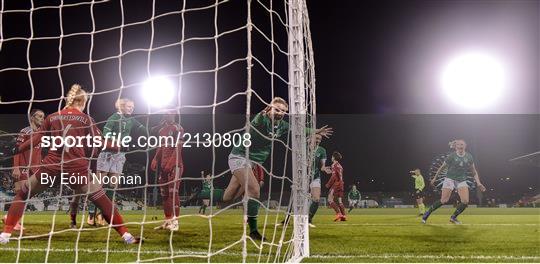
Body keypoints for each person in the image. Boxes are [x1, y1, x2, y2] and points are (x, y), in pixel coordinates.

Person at [0, 84, 140, 244]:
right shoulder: (86, 119)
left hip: (51, 167)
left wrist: (16, 149)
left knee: (23, 194)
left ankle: (5, 235)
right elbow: (99, 141)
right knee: (102, 200)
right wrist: (118, 146)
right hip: (76, 168)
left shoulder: (51, 117)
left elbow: (36, 139)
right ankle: (126, 236)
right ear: (83, 102)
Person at [197, 97, 333, 240]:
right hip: (240, 156)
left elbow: (299, 128)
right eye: (277, 109)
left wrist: (315, 130)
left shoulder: (282, 126)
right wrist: (264, 112)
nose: (280, 113)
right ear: (270, 109)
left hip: (252, 162)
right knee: (254, 189)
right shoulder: (261, 119)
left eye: (283, 111)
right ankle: (253, 231)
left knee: (228, 196)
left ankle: (201, 194)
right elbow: (258, 119)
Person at [422, 139, 486, 224]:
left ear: (465, 146)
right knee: (444, 200)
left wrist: (478, 183)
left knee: (465, 201)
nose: (460, 146)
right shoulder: (451, 156)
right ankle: (427, 213)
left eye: (462, 144)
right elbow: (442, 167)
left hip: (461, 180)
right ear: (456, 147)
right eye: (459, 145)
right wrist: (435, 178)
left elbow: (474, 172)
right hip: (450, 179)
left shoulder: (469, 157)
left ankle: (453, 217)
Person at [2, 109, 45, 231]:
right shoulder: (25, 131)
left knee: (27, 195)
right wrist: (16, 167)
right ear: (32, 118)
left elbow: (38, 152)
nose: (42, 119)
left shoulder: (41, 133)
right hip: (23, 167)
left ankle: (8, 217)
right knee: (21, 194)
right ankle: (13, 221)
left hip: (35, 169)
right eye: (39, 116)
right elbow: (17, 150)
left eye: (43, 117)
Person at [150, 112, 184, 231]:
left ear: (174, 113)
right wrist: (155, 159)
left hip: (175, 166)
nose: (166, 114)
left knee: (173, 193)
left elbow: (178, 147)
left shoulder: (178, 128)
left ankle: (175, 222)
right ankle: (167, 221)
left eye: (169, 111)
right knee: (164, 195)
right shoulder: (162, 130)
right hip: (163, 167)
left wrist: (171, 162)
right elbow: (161, 146)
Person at [326, 151, 346, 221]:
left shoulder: (334, 164)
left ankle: (338, 214)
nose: (331, 158)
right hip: (341, 184)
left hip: (336, 184)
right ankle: (343, 216)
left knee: (329, 199)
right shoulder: (340, 165)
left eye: (332, 157)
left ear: (334, 158)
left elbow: (334, 176)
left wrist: (328, 184)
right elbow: (337, 173)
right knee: (340, 201)